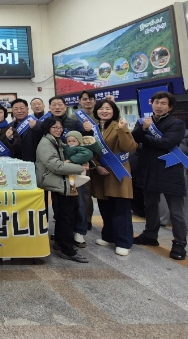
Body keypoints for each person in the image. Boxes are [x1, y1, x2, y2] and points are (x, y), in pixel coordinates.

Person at [131, 91, 188, 260]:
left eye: (163, 103)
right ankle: (150, 235)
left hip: (169, 169)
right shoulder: (144, 121)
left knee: (176, 210)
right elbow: (134, 139)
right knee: (150, 205)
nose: (159, 106)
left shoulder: (177, 123)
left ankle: (179, 243)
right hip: (148, 169)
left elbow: (167, 143)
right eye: (156, 102)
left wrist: (145, 135)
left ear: (169, 107)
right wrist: (143, 130)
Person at [87, 100, 137, 256]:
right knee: (105, 207)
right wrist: (96, 166)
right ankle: (108, 236)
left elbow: (130, 147)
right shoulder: (94, 129)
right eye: (101, 108)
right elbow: (91, 152)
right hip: (101, 174)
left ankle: (124, 242)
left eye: (108, 108)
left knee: (120, 208)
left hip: (118, 173)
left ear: (114, 111)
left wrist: (123, 130)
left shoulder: (119, 126)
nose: (104, 111)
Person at [36, 118, 89, 263]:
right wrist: (79, 168)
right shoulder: (46, 143)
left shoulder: (55, 141)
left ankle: (60, 243)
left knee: (63, 215)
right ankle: (68, 250)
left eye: (60, 127)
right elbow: (56, 166)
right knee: (66, 216)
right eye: (55, 127)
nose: (58, 130)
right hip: (56, 181)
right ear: (47, 128)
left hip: (60, 181)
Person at [48, 95, 93, 243]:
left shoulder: (75, 123)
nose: (57, 107)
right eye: (54, 105)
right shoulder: (47, 124)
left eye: (60, 104)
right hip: (56, 169)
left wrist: (89, 132)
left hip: (74, 169)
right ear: (49, 108)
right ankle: (63, 230)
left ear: (65, 106)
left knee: (78, 201)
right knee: (58, 202)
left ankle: (79, 231)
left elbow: (86, 144)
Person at [77, 90, 99, 228]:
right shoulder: (74, 117)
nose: (88, 101)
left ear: (95, 101)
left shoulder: (100, 115)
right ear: (79, 101)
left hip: (102, 156)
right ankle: (87, 219)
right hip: (85, 158)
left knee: (102, 192)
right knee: (85, 190)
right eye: (85, 99)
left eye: (91, 99)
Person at [9, 98, 43, 163]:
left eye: (22, 108)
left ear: (27, 109)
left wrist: (35, 128)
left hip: (34, 161)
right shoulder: (10, 126)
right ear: (12, 111)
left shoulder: (38, 123)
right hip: (16, 161)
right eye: (16, 109)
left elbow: (42, 140)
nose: (19, 111)